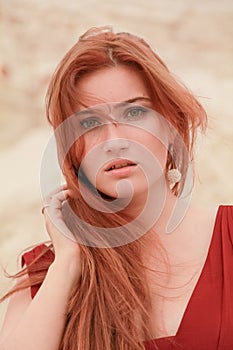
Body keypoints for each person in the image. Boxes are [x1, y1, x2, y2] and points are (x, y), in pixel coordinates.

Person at [0, 26, 232, 350]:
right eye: (90, 124)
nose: (114, 140)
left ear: (172, 124)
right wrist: (67, 263)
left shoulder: (229, 236)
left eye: (134, 112)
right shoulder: (46, 271)